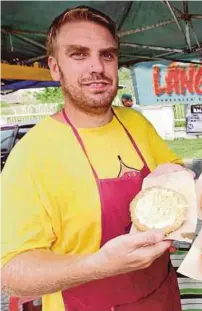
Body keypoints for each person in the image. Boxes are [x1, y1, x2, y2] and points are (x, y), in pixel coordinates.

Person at [1, 6, 188, 311]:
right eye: (78, 54)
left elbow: (173, 175)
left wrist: (178, 178)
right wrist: (99, 265)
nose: (97, 67)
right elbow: (13, 274)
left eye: (107, 55)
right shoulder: (31, 155)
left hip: (161, 297)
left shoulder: (136, 123)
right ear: (55, 67)